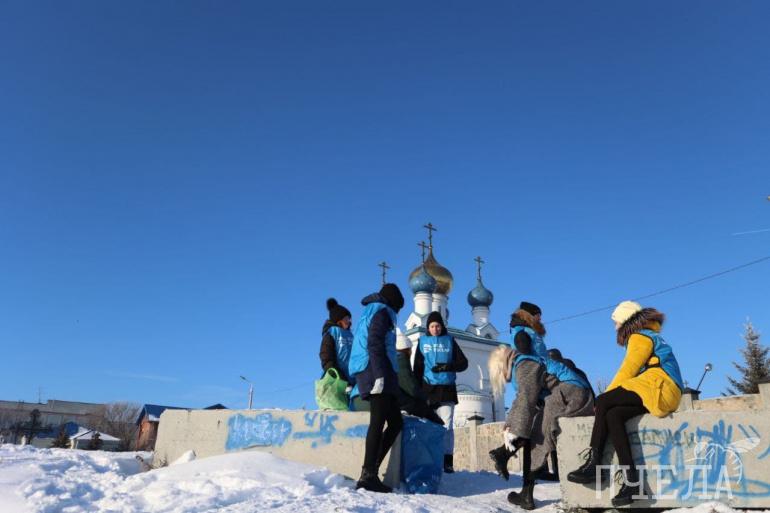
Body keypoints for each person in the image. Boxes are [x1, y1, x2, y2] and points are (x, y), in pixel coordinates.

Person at [567, 301, 684, 507]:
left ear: (626, 320)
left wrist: (604, 398)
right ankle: (632, 482)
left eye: (616, 322)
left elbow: (628, 370)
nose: (615, 327)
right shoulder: (651, 335)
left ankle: (594, 465)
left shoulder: (640, 337)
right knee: (614, 415)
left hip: (659, 386)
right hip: (661, 390)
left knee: (604, 400)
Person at [487, 301, 547, 510]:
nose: (540, 319)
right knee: (527, 424)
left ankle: (527, 494)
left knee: (532, 436)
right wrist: (530, 354)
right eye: (538, 315)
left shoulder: (528, 330)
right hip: (532, 373)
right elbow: (522, 346)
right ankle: (502, 453)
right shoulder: (522, 329)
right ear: (529, 315)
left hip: (537, 377)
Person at [348, 283, 405, 493]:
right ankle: (368, 475)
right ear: (394, 303)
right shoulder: (382, 312)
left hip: (377, 369)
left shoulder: (373, 311)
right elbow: (374, 343)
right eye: (399, 307)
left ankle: (371, 470)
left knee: (396, 422)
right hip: (374, 370)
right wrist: (379, 375)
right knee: (378, 422)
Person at [413, 311, 469, 473]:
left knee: (447, 426)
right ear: (428, 327)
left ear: (442, 326)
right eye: (432, 326)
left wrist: (447, 367)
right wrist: (417, 391)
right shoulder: (422, 342)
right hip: (428, 390)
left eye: (437, 326)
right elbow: (417, 368)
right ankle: (429, 459)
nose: (435, 329)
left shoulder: (450, 341)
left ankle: (447, 461)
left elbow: (463, 363)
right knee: (427, 425)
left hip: (446, 390)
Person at [395, 333, 444, 425]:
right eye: (410, 349)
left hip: (396, 398)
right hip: (401, 401)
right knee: (433, 417)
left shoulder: (395, 358)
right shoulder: (401, 359)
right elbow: (409, 385)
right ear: (407, 349)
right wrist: (426, 399)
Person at [319, 298, 354, 384]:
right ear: (339, 320)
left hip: (353, 380)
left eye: (349, 319)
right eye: (346, 319)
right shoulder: (331, 333)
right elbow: (326, 358)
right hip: (337, 380)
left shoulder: (351, 335)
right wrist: (341, 378)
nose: (349, 321)